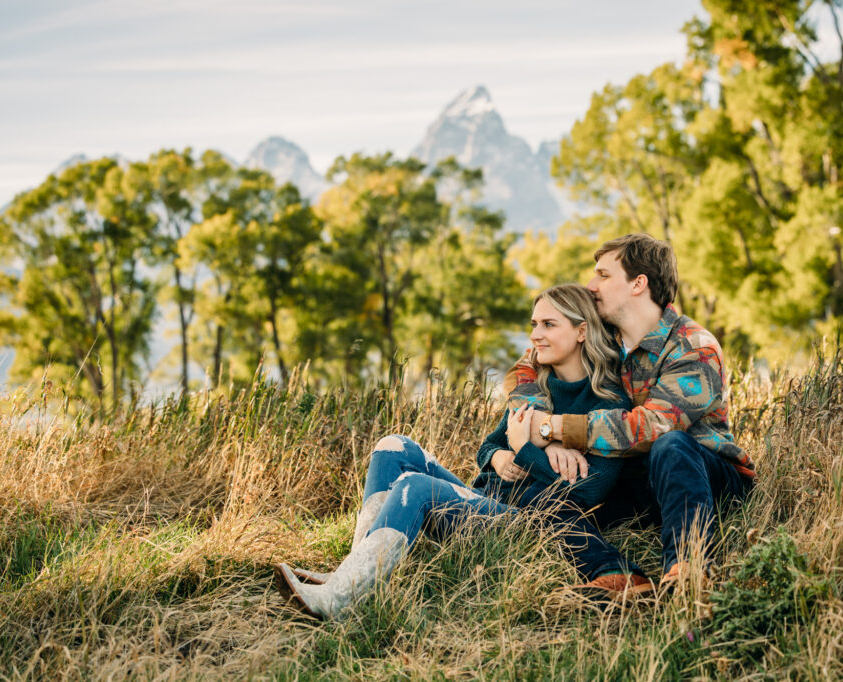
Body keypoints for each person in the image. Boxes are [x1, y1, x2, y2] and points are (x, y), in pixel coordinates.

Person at [274, 283, 631, 620]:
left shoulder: (609, 402)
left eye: (549, 324)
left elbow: (588, 491)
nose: (535, 334)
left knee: (416, 486)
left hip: (520, 524)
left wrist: (524, 448)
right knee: (392, 446)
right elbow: (489, 445)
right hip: (480, 501)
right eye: (534, 323)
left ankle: (343, 599)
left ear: (582, 331)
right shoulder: (534, 387)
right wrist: (499, 457)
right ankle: (352, 570)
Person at [505, 233, 756, 600]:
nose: (591, 286)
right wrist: (538, 428)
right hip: (633, 478)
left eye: (603, 276)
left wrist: (554, 428)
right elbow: (527, 365)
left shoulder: (694, 346)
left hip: (702, 477)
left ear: (639, 284)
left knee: (670, 446)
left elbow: (650, 428)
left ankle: (687, 570)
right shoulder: (599, 335)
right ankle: (617, 576)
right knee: (542, 492)